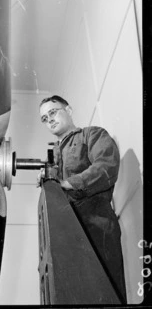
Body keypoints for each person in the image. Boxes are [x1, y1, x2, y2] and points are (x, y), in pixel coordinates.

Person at [38, 95, 127, 304]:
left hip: (97, 225)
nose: (49, 120)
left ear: (68, 110)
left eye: (53, 112)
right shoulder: (53, 159)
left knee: (107, 294)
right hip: (66, 235)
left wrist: (69, 183)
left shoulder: (92, 135)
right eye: (44, 118)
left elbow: (107, 165)